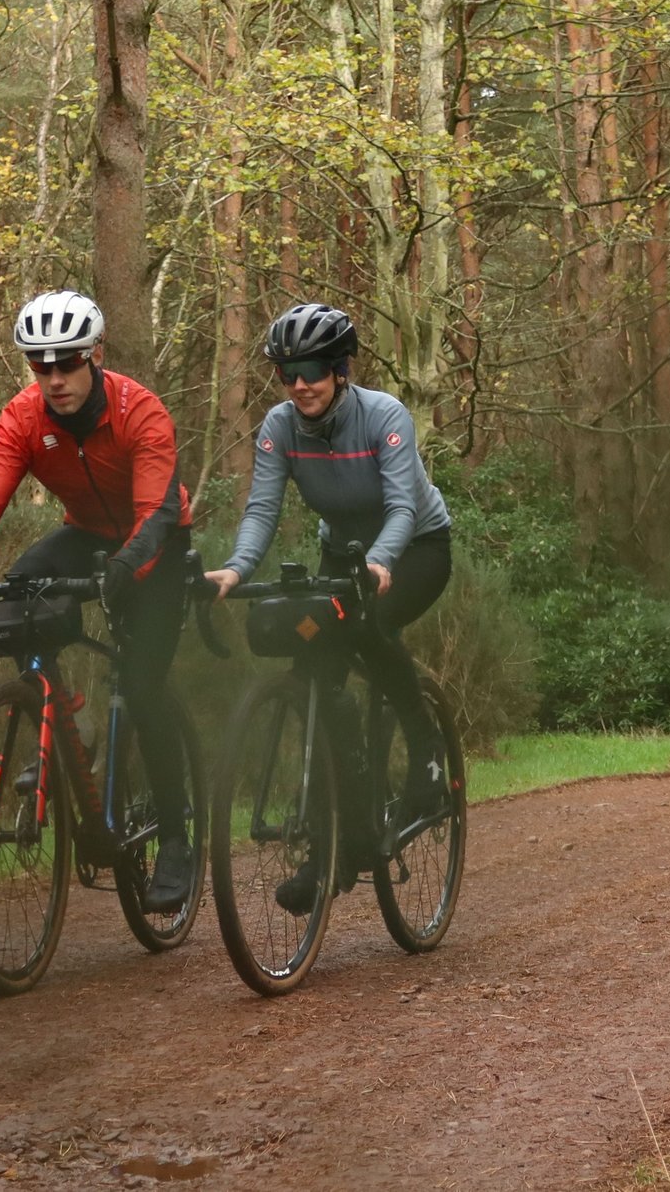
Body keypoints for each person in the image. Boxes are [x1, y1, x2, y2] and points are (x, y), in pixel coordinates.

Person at [0, 289, 199, 913]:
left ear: (95, 355)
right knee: (15, 601)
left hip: (158, 544)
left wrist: (126, 568)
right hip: (87, 533)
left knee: (143, 687)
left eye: (67, 362)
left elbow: (157, 512)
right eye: (41, 365)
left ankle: (176, 837)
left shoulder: (139, 411)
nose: (55, 378)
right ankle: (69, 722)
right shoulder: (24, 418)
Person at [202, 302, 454, 914]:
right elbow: (262, 510)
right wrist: (236, 569)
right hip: (342, 555)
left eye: (313, 368)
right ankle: (333, 845)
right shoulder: (279, 426)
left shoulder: (384, 416)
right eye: (288, 372)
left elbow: (402, 507)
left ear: (340, 368)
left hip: (415, 548)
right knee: (317, 669)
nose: (300, 384)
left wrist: (382, 561)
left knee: (371, 628)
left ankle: (426, 757)